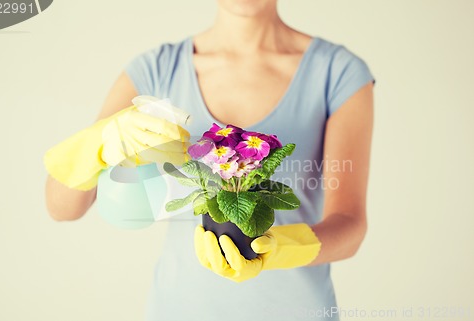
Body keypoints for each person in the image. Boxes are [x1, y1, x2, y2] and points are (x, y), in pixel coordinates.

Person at [44, 0, 375, 320]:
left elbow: (350, 224)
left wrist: (279, 247)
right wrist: (101, 141)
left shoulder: (338, 72)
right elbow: (62, 206)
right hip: (181, 309)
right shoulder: (157, 70)